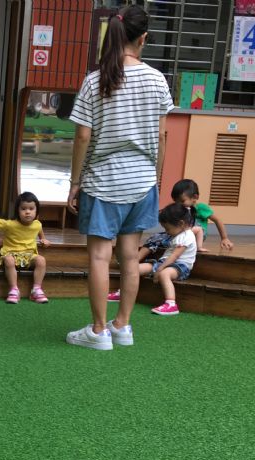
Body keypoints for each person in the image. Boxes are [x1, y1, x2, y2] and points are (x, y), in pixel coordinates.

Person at [65, 4, 174, 350]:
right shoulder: (157, 80)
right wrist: (156, 179)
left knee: (100, 257)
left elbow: (83, 136)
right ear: (143, 38)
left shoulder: (95, 80)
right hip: (142, 181)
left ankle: (98, 331)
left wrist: (75, 182)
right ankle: (122, 326)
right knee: (129, 256)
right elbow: (162, 136)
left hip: (104, 181)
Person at [136, 203, 196, 315]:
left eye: (168, 228)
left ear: (181, 223)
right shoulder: (179, 232)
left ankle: (171, 304)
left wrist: (159, 269)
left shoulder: (187, 236)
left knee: (164, 274)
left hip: (180, 266)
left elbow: (175, 256)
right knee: (135, 269)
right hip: (164, 262)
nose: (166, 231)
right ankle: (124, 292)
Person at [0, 191, 51, 304]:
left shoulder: (37, 224)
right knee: (8, 260)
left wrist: (43, 239)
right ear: (17, 211)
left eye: (31, 209)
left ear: (36, 210)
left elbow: (39, 231)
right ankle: (14, 290)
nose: (27, 212)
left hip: (29, 256)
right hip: (11, 254)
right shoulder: (10, 224)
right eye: (23, 209)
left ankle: (36, 289)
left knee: (41, 260)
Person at [171, 178, 233, 252]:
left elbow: (217, 220)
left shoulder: (201, 208)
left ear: (195, 197)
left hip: (198, 235)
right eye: (176, 202)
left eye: (182, 201)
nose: (178, 204)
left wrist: (224, 238)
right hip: (185, 233)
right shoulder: (181, 209)